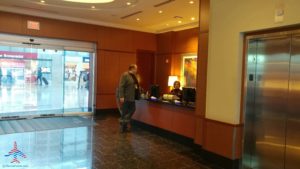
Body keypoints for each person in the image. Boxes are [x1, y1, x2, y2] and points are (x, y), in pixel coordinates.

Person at [118, 64, 140, 132]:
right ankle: (123, 127)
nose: (136, 70)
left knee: (133, 109)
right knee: (125, 112)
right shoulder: (125, 75)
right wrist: (121, 96)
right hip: (126, 97)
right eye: (136, 69)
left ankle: (123, 122)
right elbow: (121, 86)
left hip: (132, 97)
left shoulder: (134, 76)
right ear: (132, 68)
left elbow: (135, 85)